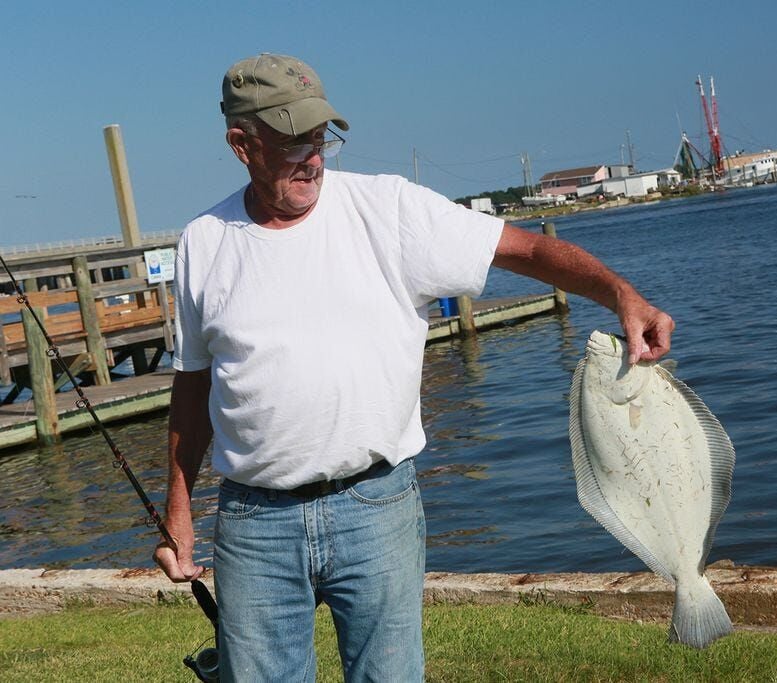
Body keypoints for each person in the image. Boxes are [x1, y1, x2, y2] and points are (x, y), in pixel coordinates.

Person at [154, 53, 674, 682]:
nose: (313, 158)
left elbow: (527, 249)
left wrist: (621, 294)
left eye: (320, 138)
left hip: (377, 507)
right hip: (252, 524)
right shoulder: (203, 241)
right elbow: (193, 384)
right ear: (242, 143)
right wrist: (178, 509)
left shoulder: (391, 210)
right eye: (292, 141)